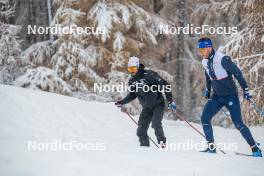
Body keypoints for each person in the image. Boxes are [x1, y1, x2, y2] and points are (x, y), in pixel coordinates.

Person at [197, 37, 262, 157]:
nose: (201, 53)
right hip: (217, 96)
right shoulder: (204, 61)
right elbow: (208, 75)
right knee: (205, 118)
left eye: (203, 51)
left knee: (238, 123)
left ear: (209, 48)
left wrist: (246, 90)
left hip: (230, 96)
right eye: (199, 51)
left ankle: (255, 148)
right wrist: (208, 89)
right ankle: (211, 147)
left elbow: (238, 73)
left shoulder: (222, 59)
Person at [115, 56, 177, 147]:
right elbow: (132, 94)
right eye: (129, 69)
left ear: (138, 67)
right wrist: (122, 102)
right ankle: (145, 148)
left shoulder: (149, 74)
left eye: (133, 68)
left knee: (156, 123)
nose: (132, 71)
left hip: (158, 104)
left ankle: (162, 143)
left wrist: (170, 101)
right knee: (140, 130)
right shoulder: (132, 81)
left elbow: (165, 85)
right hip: (147, 107)